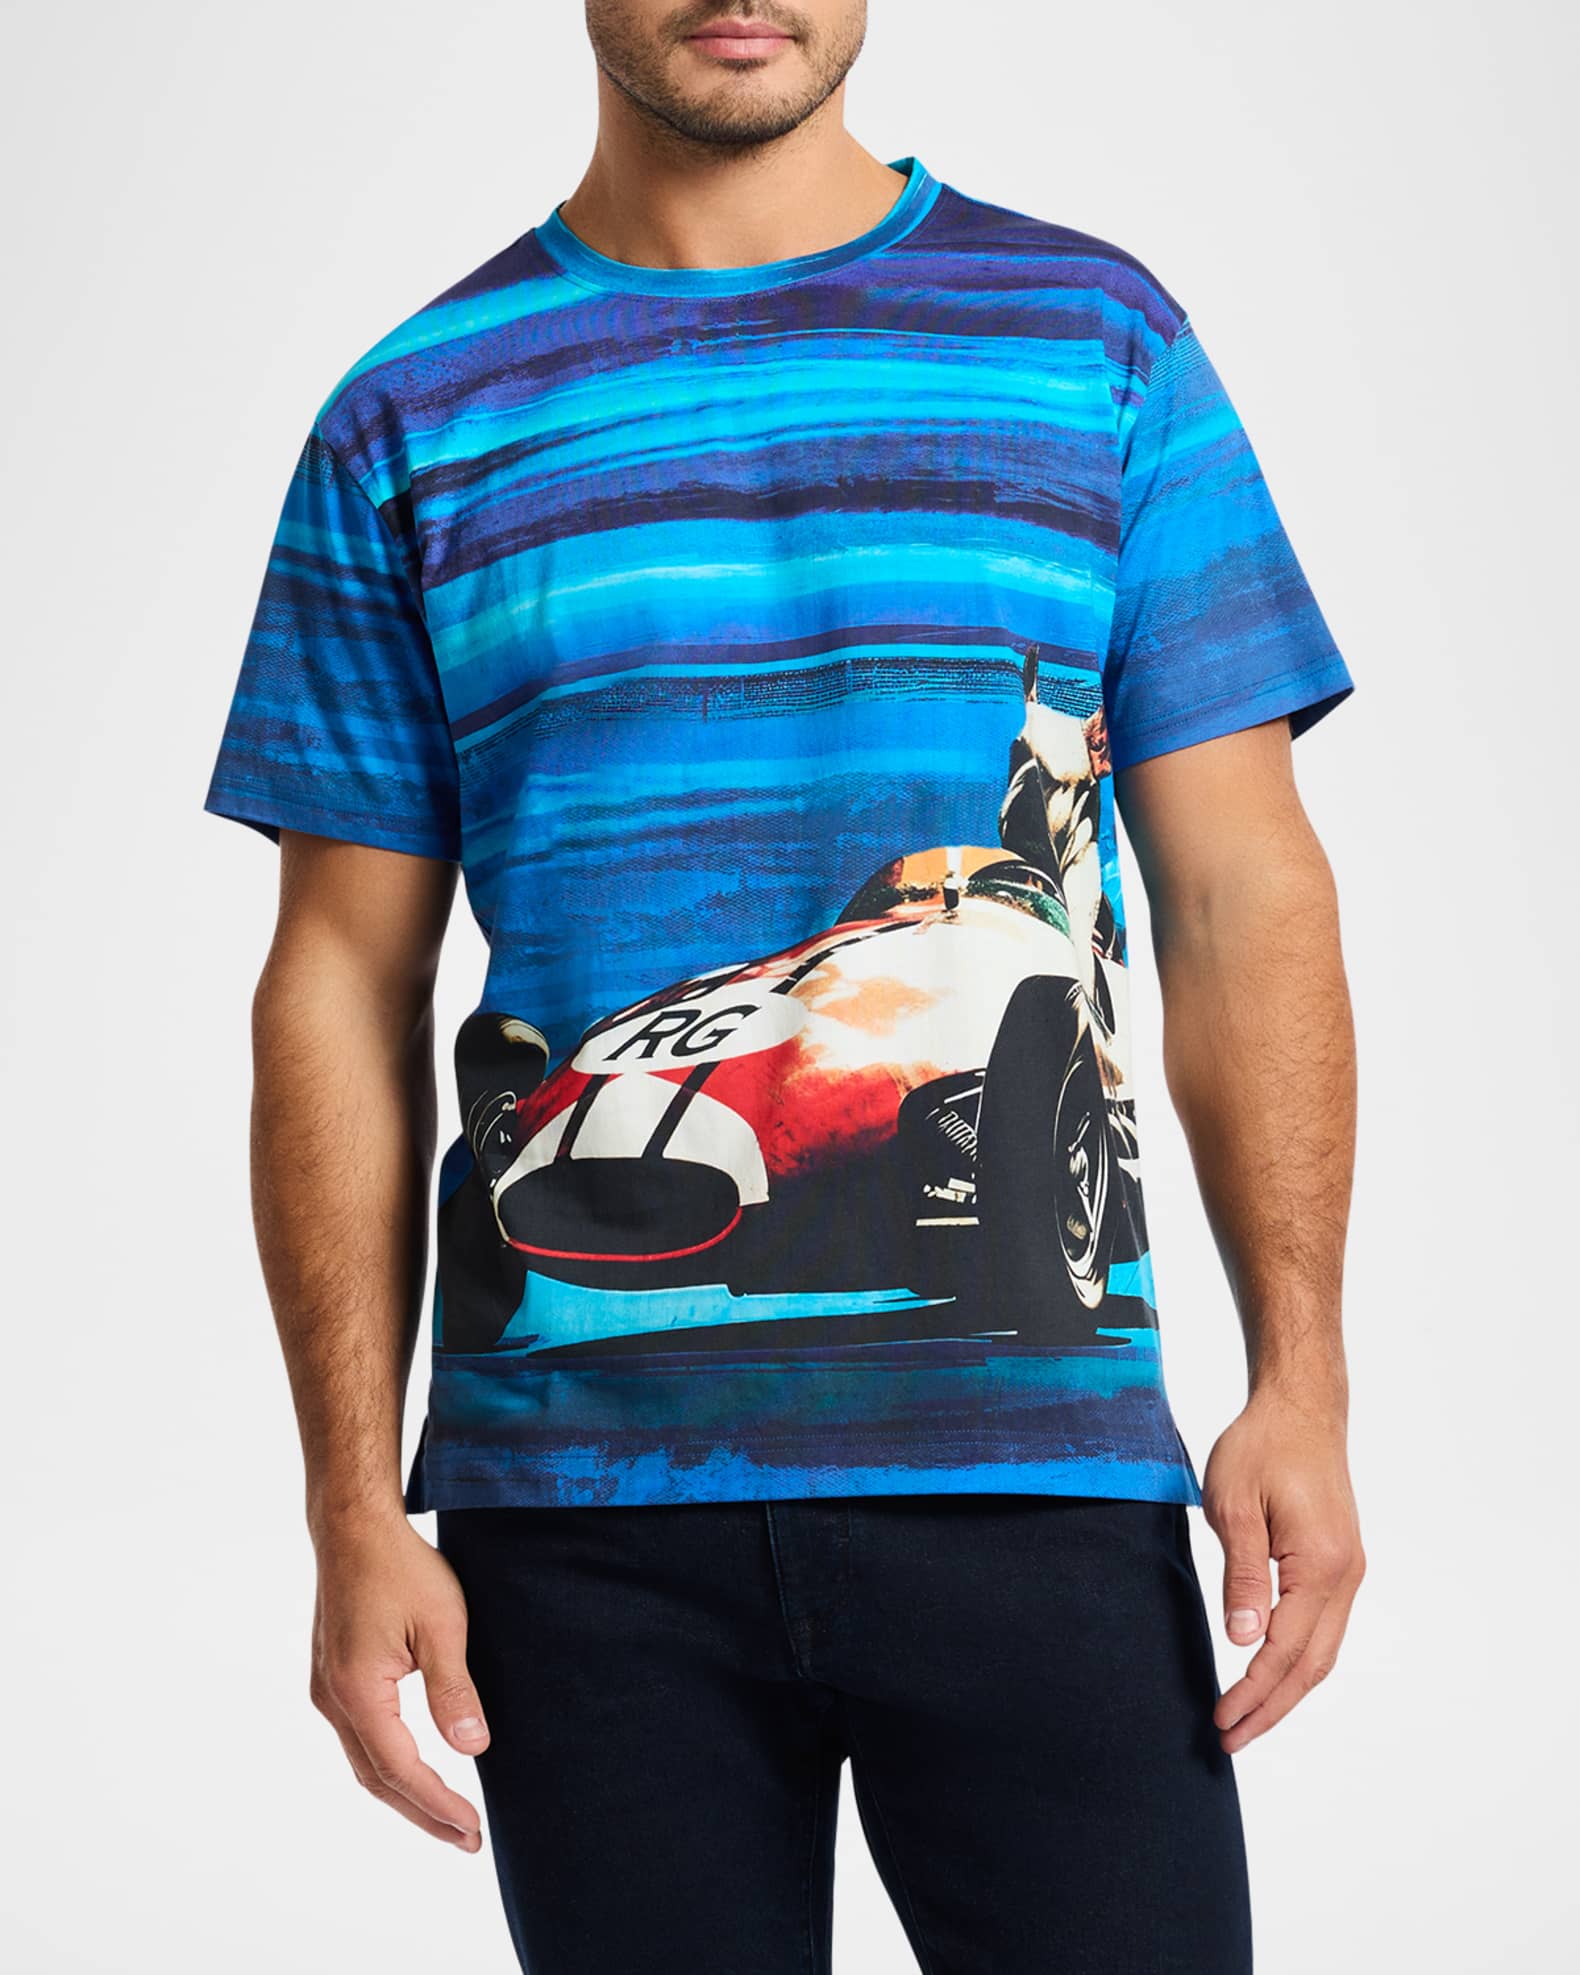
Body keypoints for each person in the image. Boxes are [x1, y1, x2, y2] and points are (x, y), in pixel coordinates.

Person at [205, 4, 1365, 1968]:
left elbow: (1240, 883)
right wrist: (347, 1505)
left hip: (1035, 1470)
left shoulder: (1096, 342)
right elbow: (336, 977)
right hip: (573, 1516)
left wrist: (1304, 1378)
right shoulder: (411, 411)